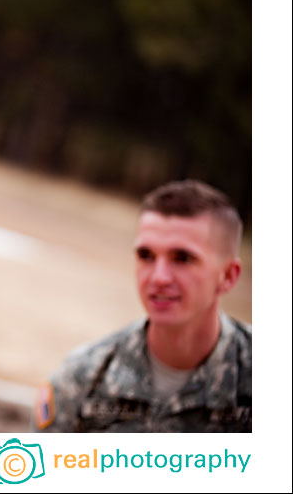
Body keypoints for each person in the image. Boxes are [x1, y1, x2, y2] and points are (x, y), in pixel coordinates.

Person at [34, 180, 250, 432]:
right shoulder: (83, 377)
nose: (158, 277)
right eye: (146, 256)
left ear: (228, 276)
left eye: (182, 258)